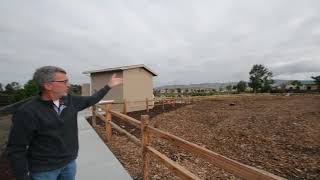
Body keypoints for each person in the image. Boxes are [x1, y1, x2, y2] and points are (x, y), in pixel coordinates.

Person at [6, 66, 123, 180]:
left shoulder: (70, 101)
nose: (68, 84)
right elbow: (16, 148)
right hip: (44, 171)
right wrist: (22, 176)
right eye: (64, 81)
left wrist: (108, 86)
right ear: (48, 85)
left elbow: (91, 99)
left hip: (69, 164)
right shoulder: (27, 112)